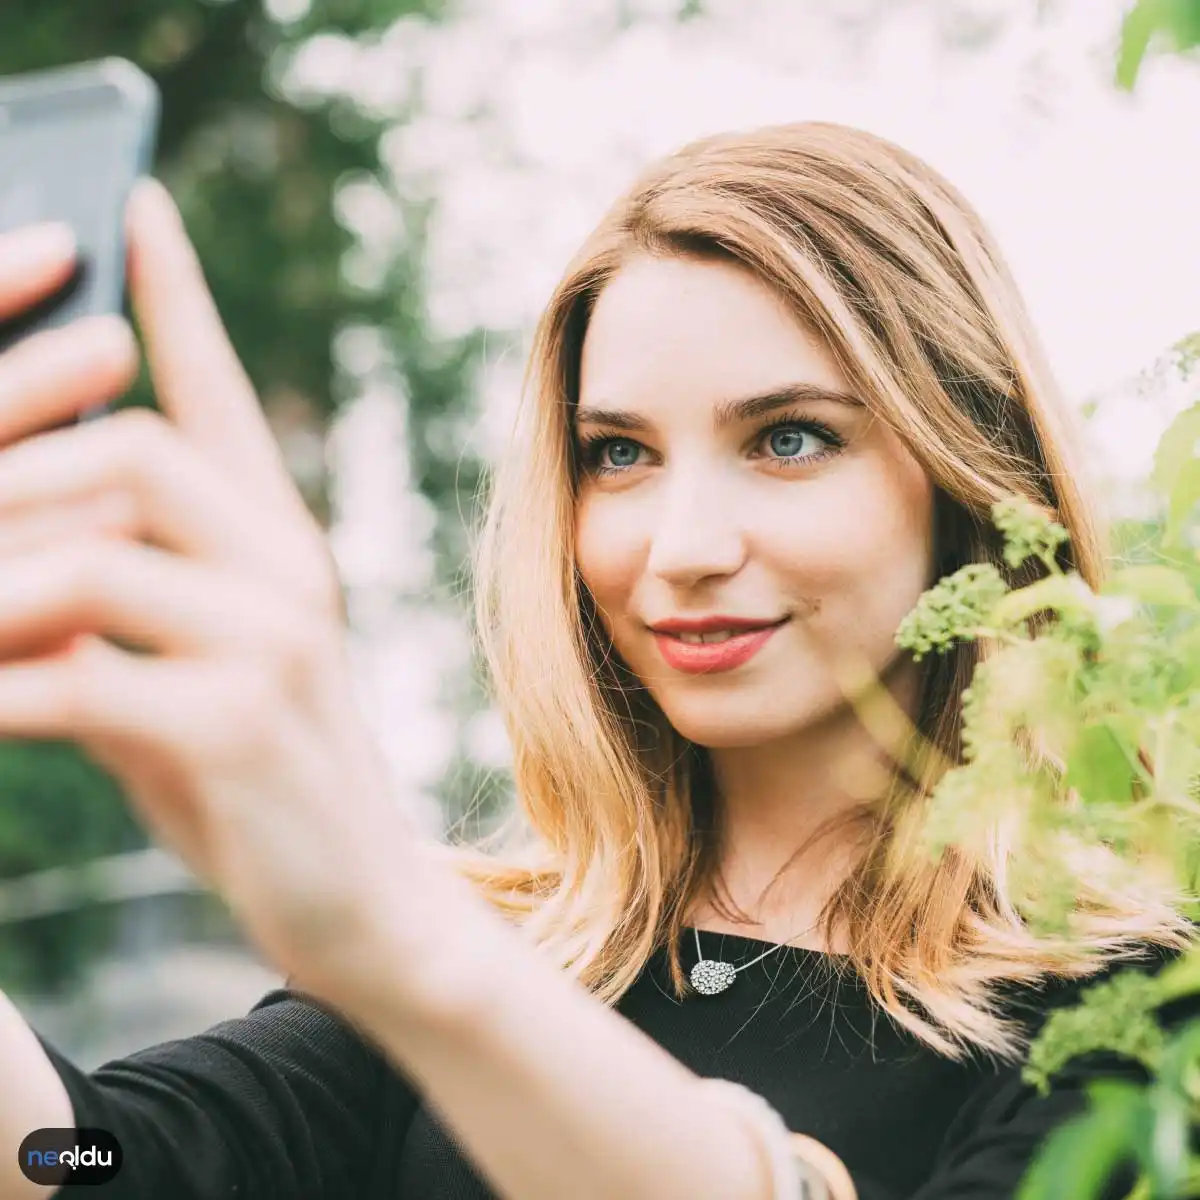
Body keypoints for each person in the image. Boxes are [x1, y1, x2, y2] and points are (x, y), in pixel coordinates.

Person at [0, 121, 1193, 1200]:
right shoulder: (508, 952)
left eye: (789, 439)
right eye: (618, 455)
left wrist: (401, 942)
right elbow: (84, 1160)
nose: (681, 548)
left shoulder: (1138, 1013)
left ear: (967, 471)